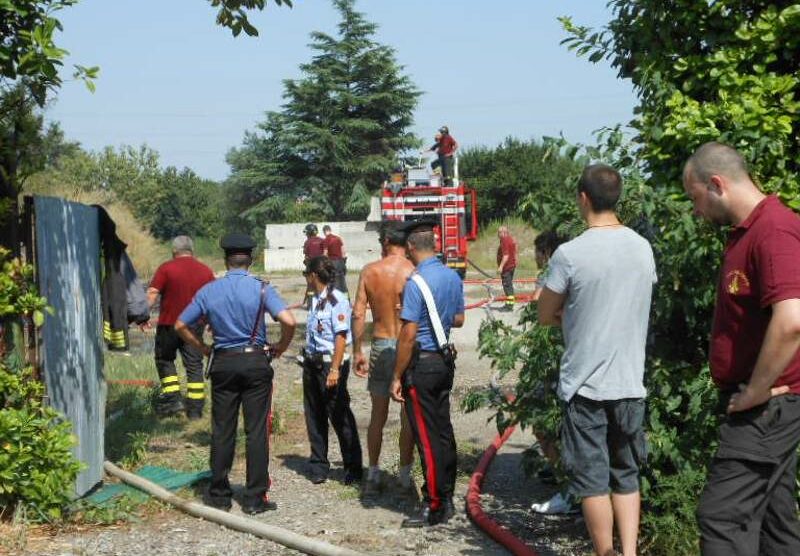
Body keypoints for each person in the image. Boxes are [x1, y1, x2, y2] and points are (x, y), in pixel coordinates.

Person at [683, 142, 800, 555]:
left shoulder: (773, 230)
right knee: (773, 521)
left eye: (695, 198)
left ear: (716, 184)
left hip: (766, 407)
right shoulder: (749, 232)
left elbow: (792, 320)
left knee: (722, 518)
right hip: (766, 404)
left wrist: (756, 390)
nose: (696, 210)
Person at [537, 164, 657, 556]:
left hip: (585, 385)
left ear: (583, 198)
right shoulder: (642, 247)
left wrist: (568, 314)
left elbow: (544, 313)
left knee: (591, 480)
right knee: (626, 473)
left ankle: (604, 552)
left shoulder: (570, 254)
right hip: (629, 381)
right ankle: (630, 552)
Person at [174, 233, 296, 514]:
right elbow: (288, 320)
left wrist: (203, 348)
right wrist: (280, 346)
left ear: (225, 260)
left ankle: (219, 494)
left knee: (222, 429)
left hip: (223, 364)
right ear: (250, 260)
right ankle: (254, 498)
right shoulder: (262, 289)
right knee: (256, 431)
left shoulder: (209, 291)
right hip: (255, 363)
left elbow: (181, 324)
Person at [390, 219, 465, 527]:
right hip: (444, 362)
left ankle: (433, 504)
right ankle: (447, 498)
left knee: (426, 437)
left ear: (410, 247)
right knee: (443, 433)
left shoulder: (415, 282)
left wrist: (397, 374)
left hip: (421, 366)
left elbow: (408, 335)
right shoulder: (451, 276)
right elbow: (458, 319)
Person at [352, 221, 416, 495]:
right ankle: (404, 475)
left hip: (380, 343)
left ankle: (374, 473)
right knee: (407, 414)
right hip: (407, 345)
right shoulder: (414, 272)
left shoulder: (370, 271)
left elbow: (357, 313)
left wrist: (357, 351)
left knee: (377, 414)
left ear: (387, 241)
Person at [302, 255, 363, 485]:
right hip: (312, 362)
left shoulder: (337, 300)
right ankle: (319, 464)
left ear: (314, 275)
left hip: (330, 364)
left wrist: (335, 369)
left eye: (307, 274)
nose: (306, 279)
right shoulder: (316, 299)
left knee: (339, 415)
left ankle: (353, 467)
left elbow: (340, 337)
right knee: (314, 414)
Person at [147, 235, 215, 419]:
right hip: (194, 326)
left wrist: (142, 315)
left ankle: (174, 399)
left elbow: (152, 295)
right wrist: (212, 322)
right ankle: (195, 410)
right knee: (194, 365)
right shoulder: (205, 271)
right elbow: (214, 300)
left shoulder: (166, 268)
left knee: (164, 359)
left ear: (174, 251)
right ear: (192, 251)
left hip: (169, 325)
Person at [303, 223, 325, 309]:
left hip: (311, 268)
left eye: (307, 232)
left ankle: (311, 306)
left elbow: (306, 256)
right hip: (322, 267)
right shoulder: (322, 240)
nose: (306, 234)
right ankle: (323, 304)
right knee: (323, 285)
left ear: (310, 233)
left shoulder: (307, 242)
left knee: (310, 286)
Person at [322, 224, 348, 295]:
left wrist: (324, 263)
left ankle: (335, 300)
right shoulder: (338, 238)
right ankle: (346, 299)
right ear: (330, 230)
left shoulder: (326, 240)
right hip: (340, 262)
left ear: (324, 231)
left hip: (332, 262)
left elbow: (325, 253)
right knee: (342, 282)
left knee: (333, 283)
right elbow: (343, 251)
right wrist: (343, 261)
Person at [496, 225, 517, 311]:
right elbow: (515, 247)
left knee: (507, 286)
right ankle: (509, 304)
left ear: (503, 232)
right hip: (511, 266)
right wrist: (516, 260)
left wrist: (500, 267)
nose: (498, 234)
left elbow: (506, 255)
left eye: (499, 232)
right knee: (509, 285)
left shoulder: (504, 240)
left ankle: (509, 306)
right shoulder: (510, 239)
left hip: (507, 267)